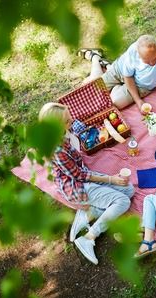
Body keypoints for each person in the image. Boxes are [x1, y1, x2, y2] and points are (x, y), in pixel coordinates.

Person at [38, 102, 134, 265]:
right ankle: (89, 237)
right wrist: (110, 179)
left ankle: (90, 213)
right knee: (123, 201)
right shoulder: (57, 150)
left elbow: (81, 132)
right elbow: (79, 175)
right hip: (75, 186)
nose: (72, 121)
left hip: (82, 175)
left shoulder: (62, 132)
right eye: (68, 121)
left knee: (129, 189)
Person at [80, 34, 156, 112]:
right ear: (138, 54)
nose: (152, 63)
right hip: (120, 70)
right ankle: (95, 58)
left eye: (155, 58)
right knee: (94, 89)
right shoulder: (133, 51)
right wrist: (138, 101)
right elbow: (127, 76)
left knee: (114, 102)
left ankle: (106, 68)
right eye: (147, 61)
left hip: (141, 85)